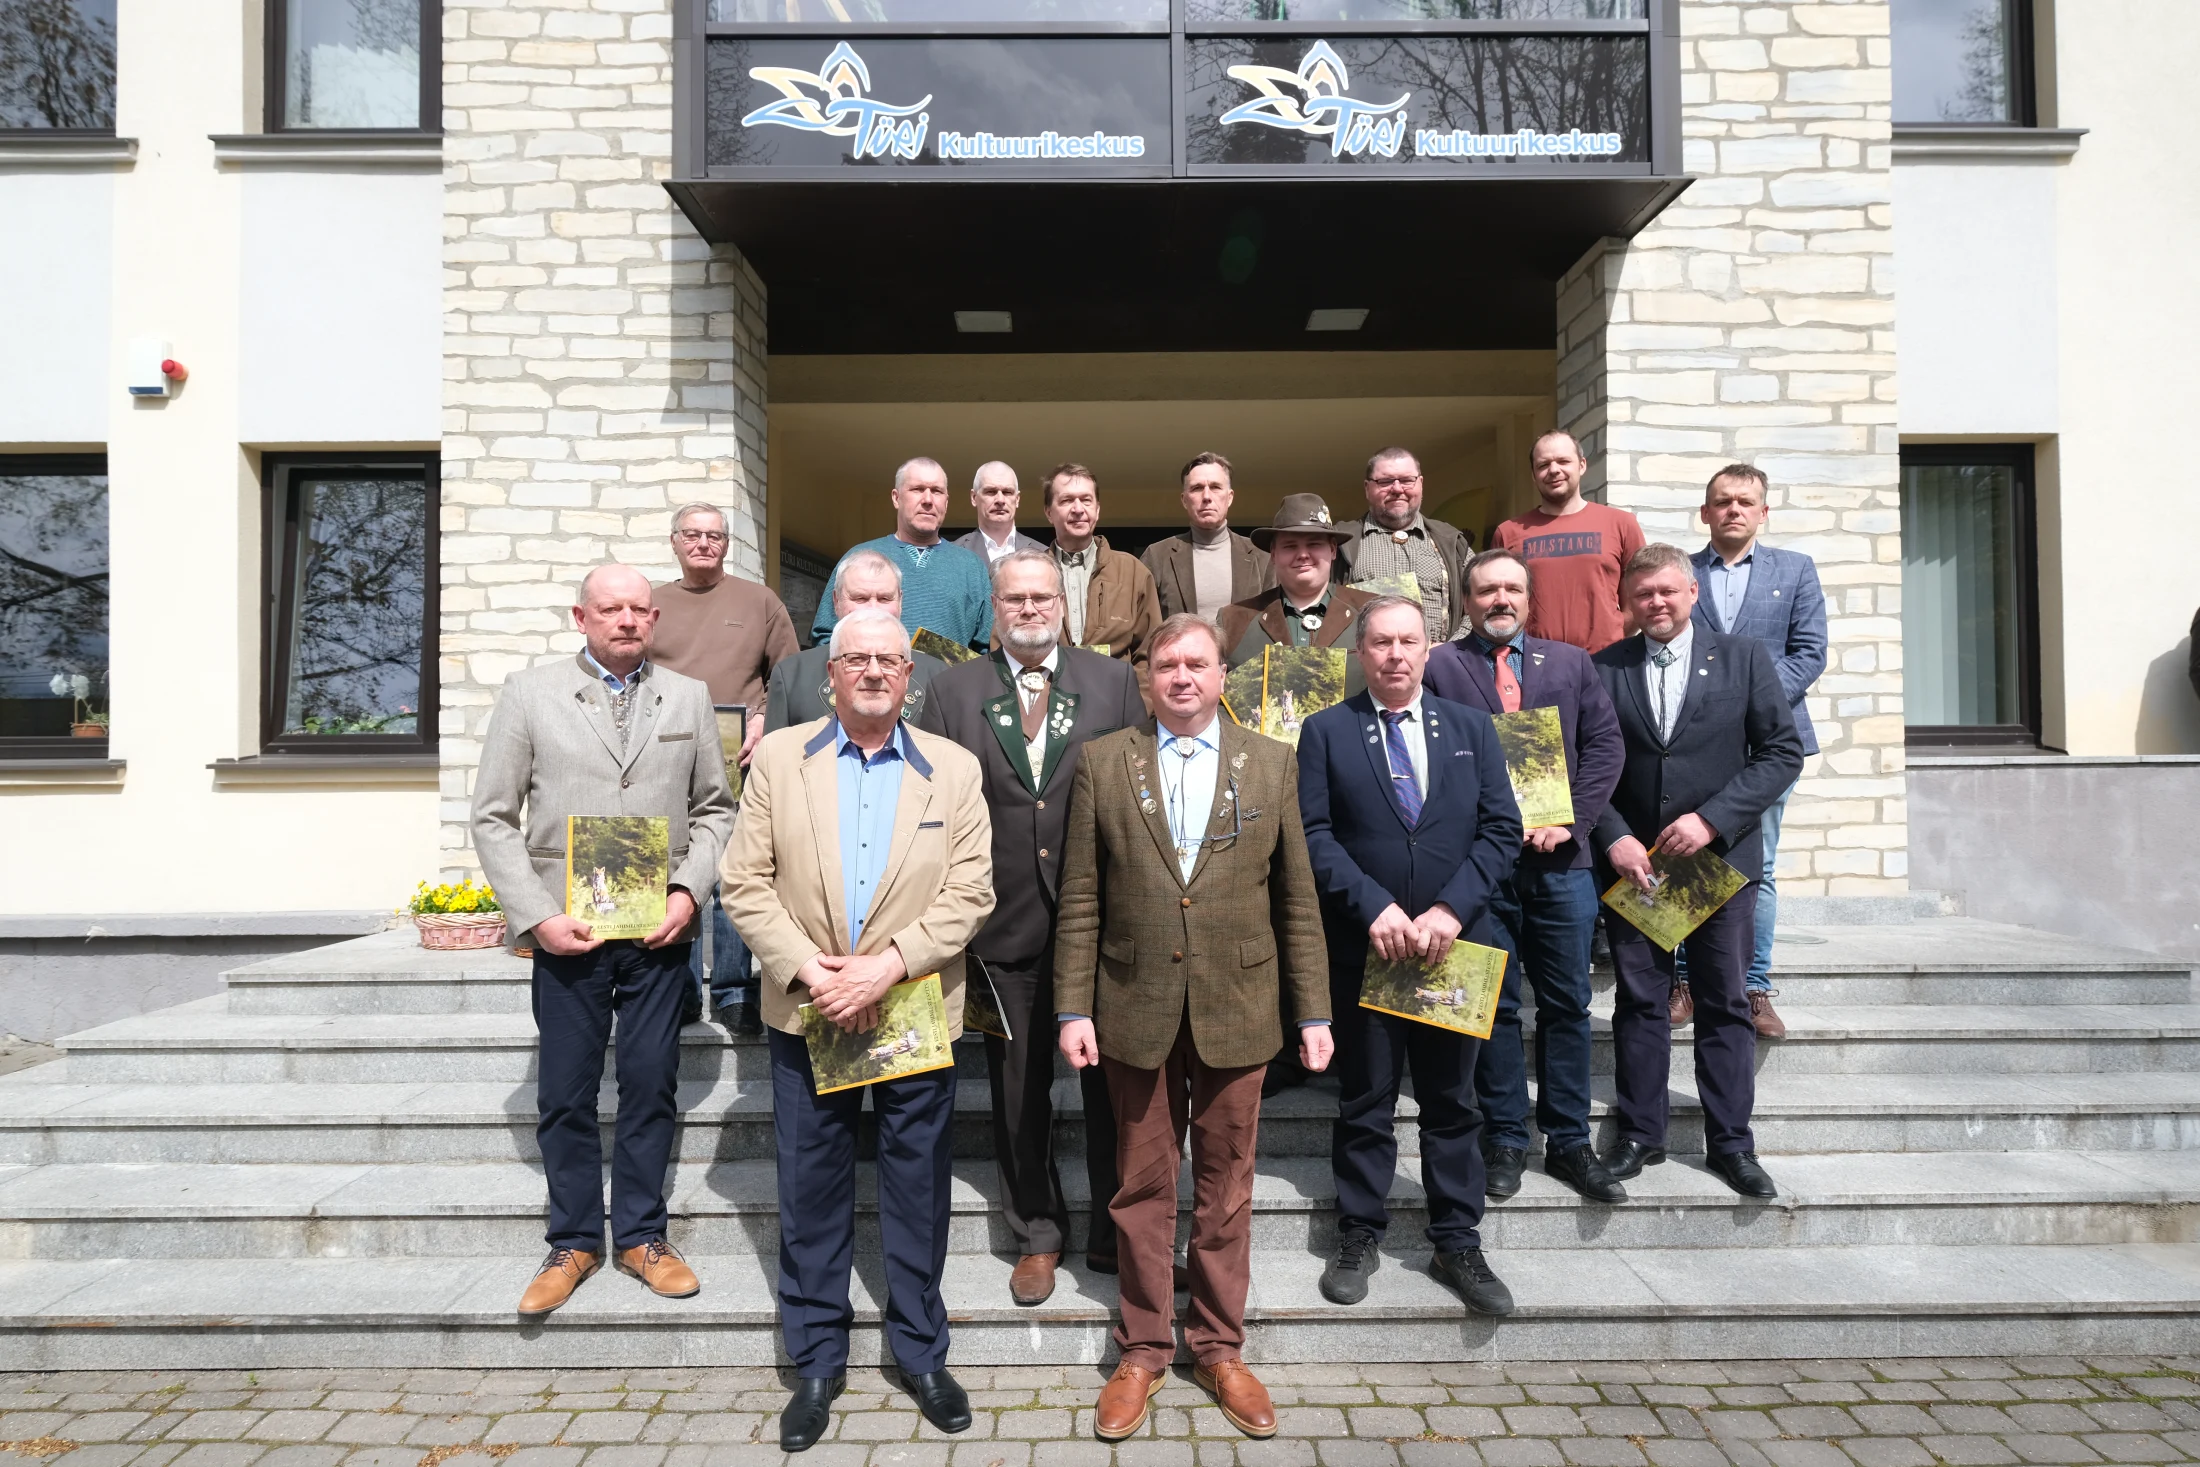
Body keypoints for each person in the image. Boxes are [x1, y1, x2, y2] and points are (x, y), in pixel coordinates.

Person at [722, 608, 995, 1452]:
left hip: (912, 1006)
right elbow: (744, 882)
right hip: (810, 1007)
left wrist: (888, 967)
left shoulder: (953, 768)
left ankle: (921, 1352)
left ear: (909, 676)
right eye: (857, 659)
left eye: (889, 660)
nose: (874, 671)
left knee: (918, 1189)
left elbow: (972, 890)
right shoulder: (779, 758)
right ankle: (816, 1360)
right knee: (811, 1186)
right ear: (830, 674)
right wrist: (814, 971)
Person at [1054, 615, 1331, 1443]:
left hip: (1239, 1003)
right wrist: (1073, 1006)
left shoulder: (1271, 761)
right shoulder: (1104, 761)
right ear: (1147, 676)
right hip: (1131, 1003)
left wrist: (1313, 1010)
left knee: (1225, 1188)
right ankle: (1142, 1348)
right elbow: (1081, 894)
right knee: (1140, 1187)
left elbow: (1296, 897)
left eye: (1196, 663)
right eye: (1167, 663)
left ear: (1221, 675)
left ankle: (1218, 1346)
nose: (1181, 676)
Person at [469, 564, 737, 1317]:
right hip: (569, 932)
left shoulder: (687, 697)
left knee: (651, 1083)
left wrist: (688, 889)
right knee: (565, 1092)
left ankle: (643, 1236)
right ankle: (575, 1240)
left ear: (655, 618)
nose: (626, 620)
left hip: (657, 932)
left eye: (638, 610)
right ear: (580, 617)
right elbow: (493, 815)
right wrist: (535, 914)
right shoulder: (530, 694)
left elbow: (716, 809)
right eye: (610, 608)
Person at [917, 550, 1147, 1303]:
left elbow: (1138, 790)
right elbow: (932, 808)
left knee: (1112, 1088)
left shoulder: (1113, 682)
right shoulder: (954, 690)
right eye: (1014, 597)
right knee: (1018, 1090)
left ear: (1062, 603)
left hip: (1103, 924)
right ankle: (1038, 1233)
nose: (1029, 608)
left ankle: (1114, 1233)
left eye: (1042, 596)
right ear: (995, 605)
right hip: (1000, 922)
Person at [1296, 596, 1524, 1314]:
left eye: (1408, 641)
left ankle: (1456, 1238)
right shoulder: (1326, 731)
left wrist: (1451, 909)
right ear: (1361, 653)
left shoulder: (1472, 727)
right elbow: (1314, 834)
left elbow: (1501, 828)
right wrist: (1375, 907)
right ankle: (1359, 1232)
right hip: (1369, 947)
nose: (1395, 654)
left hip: (1453, 949)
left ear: (1429, 650)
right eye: (1381, 642)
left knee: (1452, 1102)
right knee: (1365, 1101)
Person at [1589, 544, 1805, 1201]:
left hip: (1717, 861)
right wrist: (1615, 837)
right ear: (1627, 601)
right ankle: (1640, 1134)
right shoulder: (1604, 668)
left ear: (1692, 592)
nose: (1655, 602)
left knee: (1724, 1001)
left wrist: (1711, 821)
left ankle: (1732, 1143)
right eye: (1642, 593)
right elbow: (1585, 764)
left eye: (1666, 590)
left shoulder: (1743, 658)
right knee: (1640, 1001)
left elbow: (1781, 752)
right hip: (1640, 865)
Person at [1425, 549, 1627, 1204]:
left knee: (1567, 1003)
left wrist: (1573, 820)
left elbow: (1604, 746)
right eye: (1487, 590)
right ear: (1466, 601)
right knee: (1493, 1004)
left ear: (1528, 598)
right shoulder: (1438, 667)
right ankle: (1507, 1136)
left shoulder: (1570, 663)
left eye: (1512, 588)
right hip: (1478, 868)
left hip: (1562, 864)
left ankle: (1569, 1139)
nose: (1500, 599)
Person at [1677, 464, 1827, 1040]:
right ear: (1705, 512)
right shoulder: (1682, 573)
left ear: (1763, 512)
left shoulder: (1795, 570)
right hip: (1695, 743)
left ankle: (1754, 986)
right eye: (1723, 501)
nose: (1733, 509)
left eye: (1745, 501)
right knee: (1687, 856)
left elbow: (1809, 653)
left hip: (1769, 743)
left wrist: (1749, 701)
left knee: (1756, 867)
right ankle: (1684, 980)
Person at [649, 502, 801, 1034]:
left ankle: (735, 990)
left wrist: (763, 720)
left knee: (734, 870)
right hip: (667, 753)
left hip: (740, 753)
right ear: (674, 541)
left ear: (727, 544)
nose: (703, 543)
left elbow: (789, 675)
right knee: (679, 868)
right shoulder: (651, 604)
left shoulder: (759, 601)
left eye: (714, 535)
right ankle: (683, 990)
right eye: (692, 534)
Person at [812, 457, 993, 649]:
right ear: (896, 498)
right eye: (917, 489)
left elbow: (987, 648)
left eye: (936, 491)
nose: (928, 500)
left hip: (953, 670)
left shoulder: (971, 567)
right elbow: (825, 638)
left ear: (946, 503)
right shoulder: (859, 558)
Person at [1491, 431, 1647, 654]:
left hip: (1605, 660)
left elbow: (1640, 593)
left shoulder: (1622, 524)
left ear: (1582, 465)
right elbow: (1498, 601)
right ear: (1534, 475)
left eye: (1563, 461)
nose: (1554, 470)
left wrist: (1613, 637)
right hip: (1535, 661)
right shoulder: (1508, 532)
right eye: (1543, 465)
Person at [765, 549, 947, 732]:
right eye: (860, 598)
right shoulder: (792, 676)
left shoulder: (938, 677)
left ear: (900, 602)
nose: (873, 609)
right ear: (836, 601)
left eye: (884, 598)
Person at [1332, 446, 1474, 644]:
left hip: (1439, 661)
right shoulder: (1341, 542)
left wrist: (1450, 650)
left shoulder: (1452, 542)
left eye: (1407, 480)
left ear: (1420, 484)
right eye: (1385, 481)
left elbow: (1481, 603)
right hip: (1366, 662)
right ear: (1367, 488)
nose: (1397, 489)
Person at [1217, 494, 1379, 665]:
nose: (1302, 555)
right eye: (1290, 546)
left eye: (1314, 544)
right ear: (1274, 554)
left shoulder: (1371, 612)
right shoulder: (1233, 621)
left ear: (1333, 550)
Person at [1041, 463, 1163, 685]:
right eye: (1067, 500)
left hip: (1116, 701)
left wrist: (1137, 702)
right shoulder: (1029, 573)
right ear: (1049, 513)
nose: (1078, 509)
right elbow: (1005, 645)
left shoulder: (1132, 572)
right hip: (1046, 699)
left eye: (1086, 500)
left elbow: (1151, 652)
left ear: (1097, 510)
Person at [1142, 451, 1274, 621]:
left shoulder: (1262, 557)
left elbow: (1274, 622)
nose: (1206, 496)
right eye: (1197, 488)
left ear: (1230, 497)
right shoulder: (1157, 556)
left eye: (1215, 487)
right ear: (1184, 500)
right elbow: (1143, 624)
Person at [955, 461, 1045, 565]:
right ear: (974, 498)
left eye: (1007, 492)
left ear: (1017, 499)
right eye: (991, 491)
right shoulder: (953, 554)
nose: (1000, 500)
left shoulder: (1043, 554)